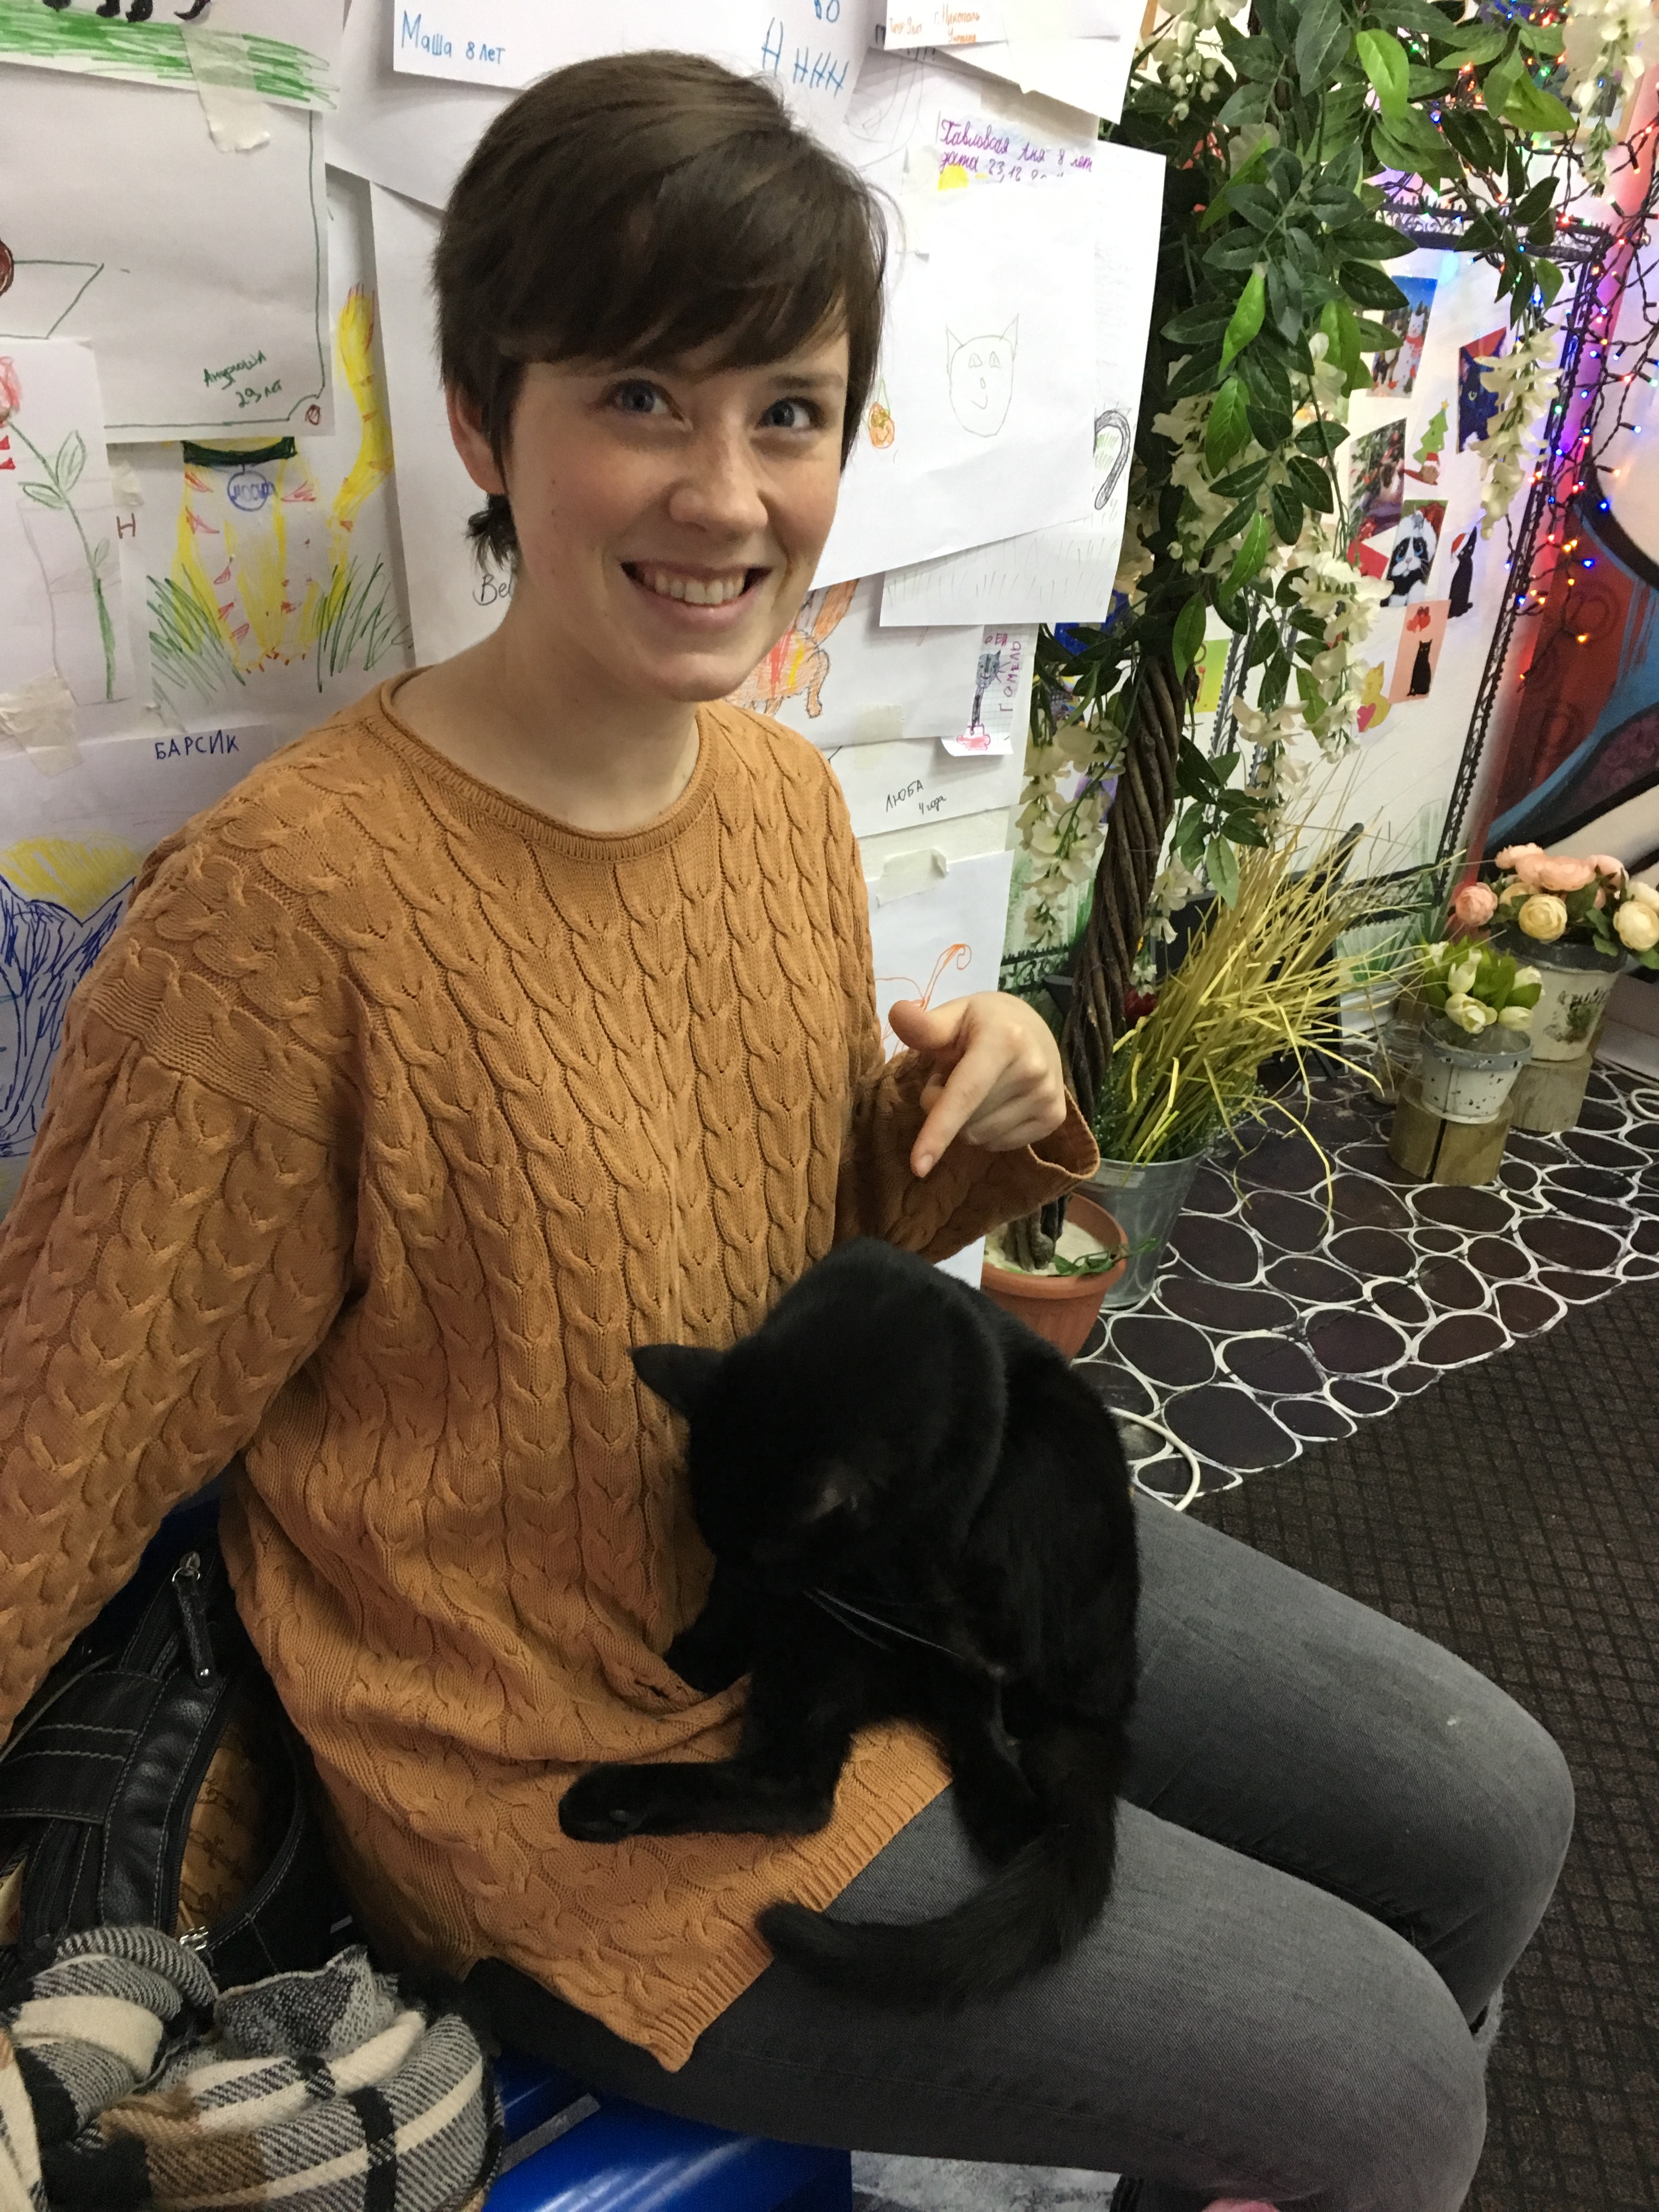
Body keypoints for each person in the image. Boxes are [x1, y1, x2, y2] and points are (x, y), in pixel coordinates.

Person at [0, 54, 1572, 2212]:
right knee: (1382, 2078)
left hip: (858, 1565)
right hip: (555, 1779)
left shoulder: (778, 798)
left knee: (1494, 1808)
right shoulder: (281, 923)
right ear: (485, 420)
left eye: (791, 411)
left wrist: (976, 1108)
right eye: (643, 397)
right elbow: (50, 1451)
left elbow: (781, 1263)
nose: (729, 494)